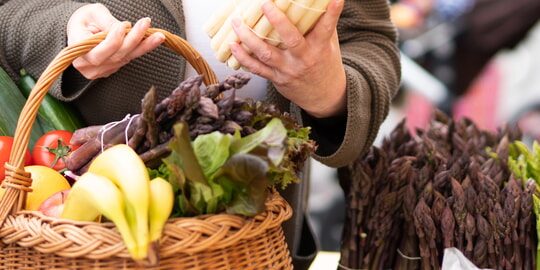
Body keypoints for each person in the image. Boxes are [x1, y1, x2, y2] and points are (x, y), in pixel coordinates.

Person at [0, 0, 401, 268]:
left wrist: (330, 92)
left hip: (249, 240)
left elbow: (369, 39)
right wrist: (62, 29)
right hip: (72, 242)